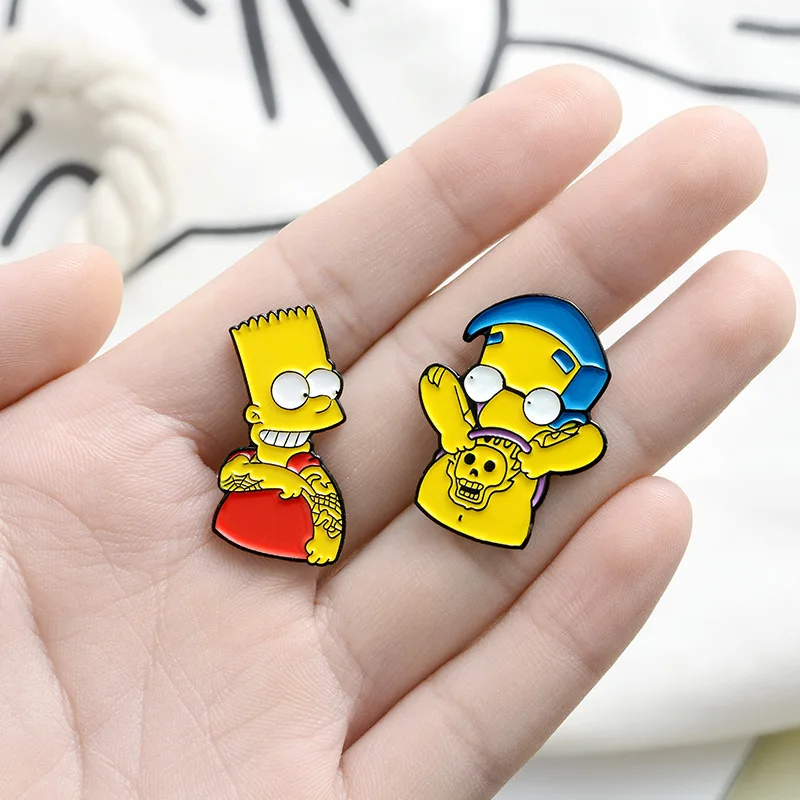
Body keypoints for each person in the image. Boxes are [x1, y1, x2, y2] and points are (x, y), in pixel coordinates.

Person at [0, 66, 793, 799]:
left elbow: (574, 445)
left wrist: (517, 441)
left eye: (532, 397)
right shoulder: (357, 435)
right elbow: (424, 417)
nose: (500, 398)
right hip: (334, 511)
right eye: (490, 380)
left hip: (482, 512)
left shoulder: (543, 441)